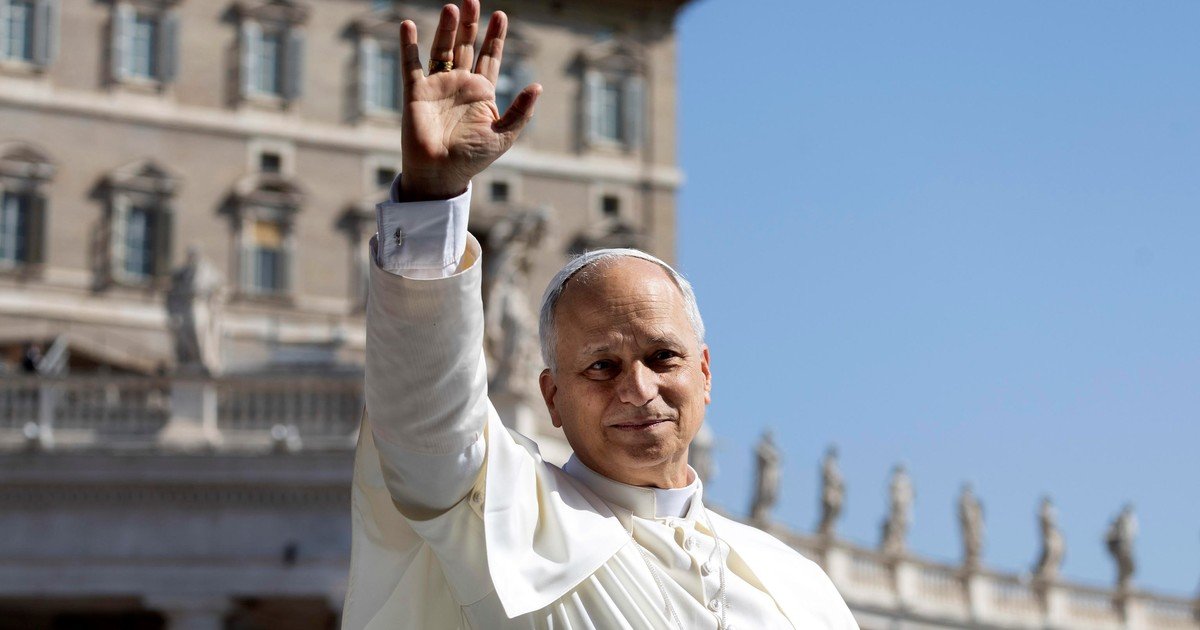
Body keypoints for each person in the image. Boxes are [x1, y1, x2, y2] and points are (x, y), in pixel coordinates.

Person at [342, 2, 858, 628]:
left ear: (705, 372)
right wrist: (432, 201)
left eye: (662, 357)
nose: (638, 390)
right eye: (601, 366)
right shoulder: (506, 522)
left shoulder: (795, 586)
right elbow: (424, 423)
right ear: (552, 398)